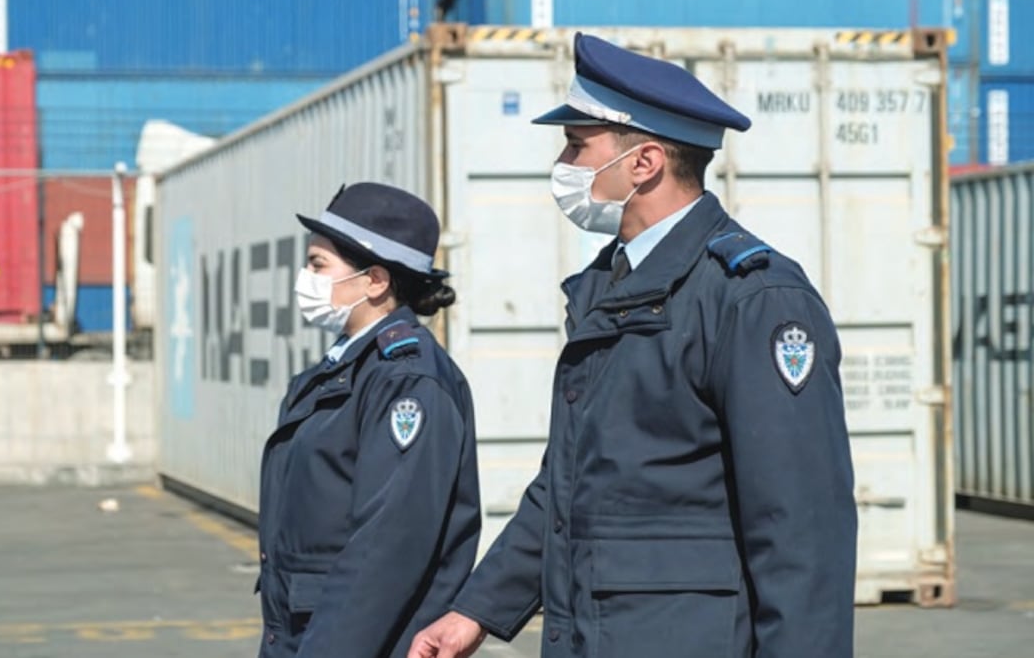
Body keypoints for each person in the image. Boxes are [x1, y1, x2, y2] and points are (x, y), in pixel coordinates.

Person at [409, 33, 856, 658]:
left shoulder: (752, 299)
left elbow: (801, 530)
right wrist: (475, 611)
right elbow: (566, 490)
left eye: (576, 146)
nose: (563, 165)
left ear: (643, 163)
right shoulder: (610, 286)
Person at [257, 182, 481, 658]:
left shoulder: (407, 380)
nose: (305, 278)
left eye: (318, 265)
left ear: (376, 281)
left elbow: (386, 546)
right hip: (308, 633)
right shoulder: (345, 369)